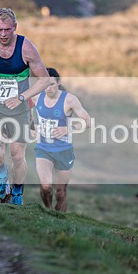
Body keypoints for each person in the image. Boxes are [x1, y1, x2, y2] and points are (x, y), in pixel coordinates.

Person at [0, 7, 49, 205]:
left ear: (15, 27)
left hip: (18, 108)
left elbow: (44, 80)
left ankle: (17, 192)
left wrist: (22, 97)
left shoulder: (27, 48)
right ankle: (2, 174)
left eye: (7, 29)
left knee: (17, 154)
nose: (3, 34)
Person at [31, 68, 90, 212]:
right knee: (46, 187)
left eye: (51, 84)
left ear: (58, 83)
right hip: (43, 149)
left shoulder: (69, 100)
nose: (48, 88)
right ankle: (48, 210)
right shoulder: (36, 97)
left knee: (60, 193)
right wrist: (32, 127)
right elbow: (27, 115)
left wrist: (67, 129)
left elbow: (87, 122)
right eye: (45, 84)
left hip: (64, 150)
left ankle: (60, 216)